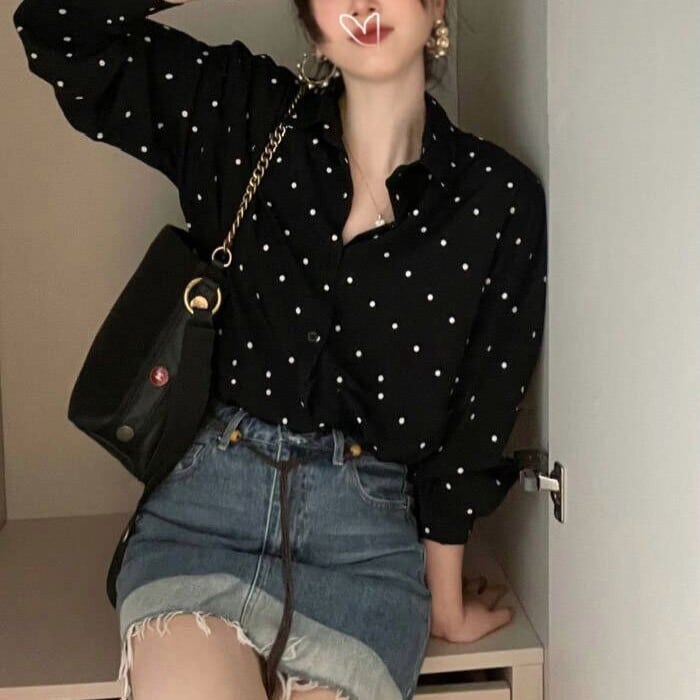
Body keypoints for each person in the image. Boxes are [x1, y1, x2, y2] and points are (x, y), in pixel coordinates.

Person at [12, 0, 547, 698]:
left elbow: (474, 432)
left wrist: (444, 601)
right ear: (310, 19)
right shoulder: (241, 112)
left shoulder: (497, 199)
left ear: (436, 3)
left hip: (367, 549)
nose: (362, 4)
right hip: (201, 518)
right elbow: (58, 29)